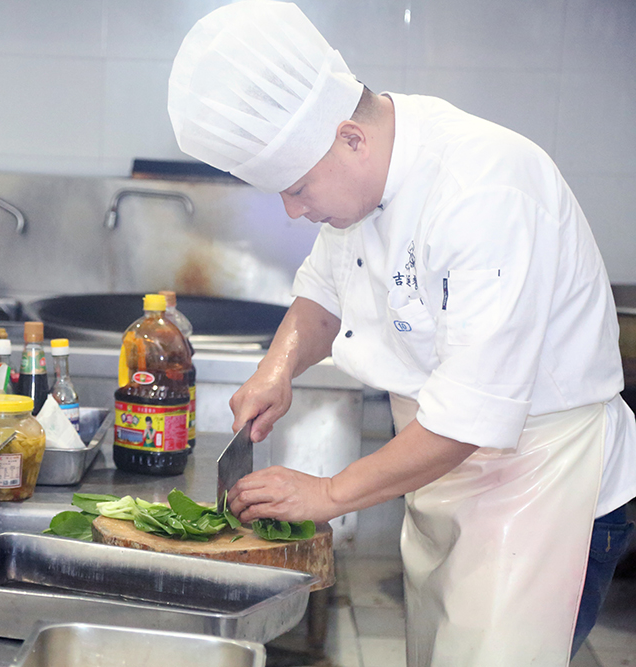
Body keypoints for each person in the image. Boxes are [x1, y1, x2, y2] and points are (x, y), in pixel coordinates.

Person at [167, 2, 636, 665]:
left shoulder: (486, 190)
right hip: (447, 477)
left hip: (546, 484)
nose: (293, 211)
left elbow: (471, 414)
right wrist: (278, 367)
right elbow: (325, 294)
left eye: (298, 188)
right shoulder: (364, 181)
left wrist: (329, 493)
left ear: (349, 138)